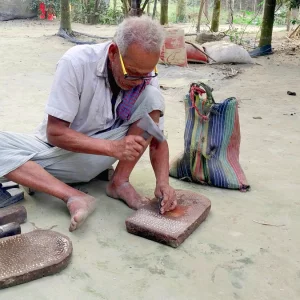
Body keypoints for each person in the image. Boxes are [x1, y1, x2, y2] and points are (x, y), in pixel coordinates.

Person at [0, 16, 177, 232]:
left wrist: (163, 182)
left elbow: (157, 137)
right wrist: (113, 148)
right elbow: (55, 133)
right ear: (113, 53)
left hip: (100, 159)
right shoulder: (76, 62)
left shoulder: (144, 77)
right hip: (56, 155)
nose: (139, 81)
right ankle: (73, 195)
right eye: (132, 74)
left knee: (152, 98)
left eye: (146, 75)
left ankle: (119, 182)